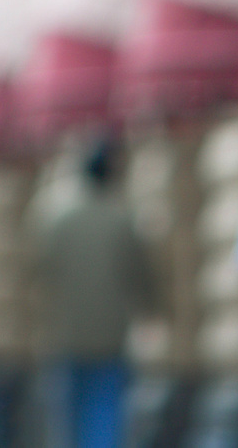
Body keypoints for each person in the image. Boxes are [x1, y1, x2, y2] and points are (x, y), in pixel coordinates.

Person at [32, 139, 152, 448]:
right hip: (110, 334)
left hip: (67, 333)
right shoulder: (123, 220)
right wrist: (152, 312)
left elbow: (38, 271)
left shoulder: (56, 217)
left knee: (68, 418)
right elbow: (140, 276)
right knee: (106, 417)